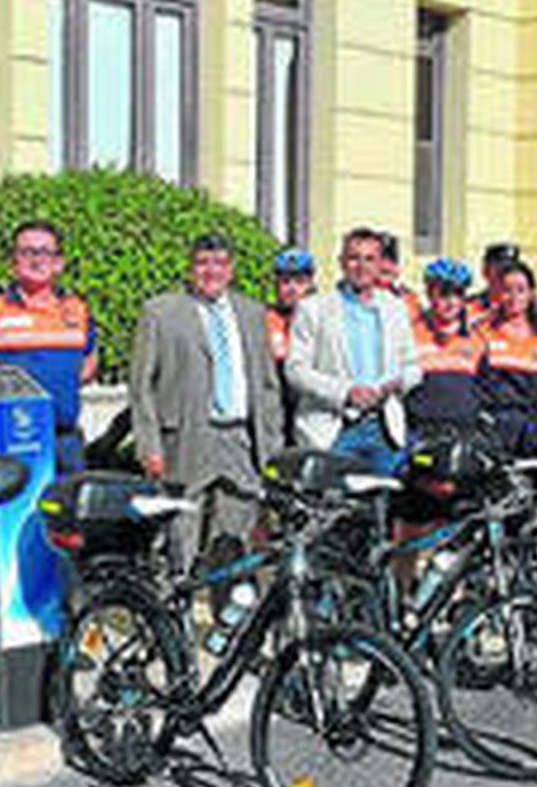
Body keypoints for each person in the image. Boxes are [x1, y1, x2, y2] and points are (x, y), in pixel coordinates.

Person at [130, 235, 283, 564]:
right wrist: (149, 447)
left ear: (231, 269)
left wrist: (271, 447)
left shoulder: (252, 313)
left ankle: (227, 611)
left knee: (234, 539)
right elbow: (141, 387)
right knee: (180, 535)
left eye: (219, 263)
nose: (211, 271)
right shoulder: (160, 313)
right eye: (202, 263)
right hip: (186, 438)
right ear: (190, 268)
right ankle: (176, 607)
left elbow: (267, 385)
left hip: (239, 440)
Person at [0, 219, 98, 473]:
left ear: (58, 263)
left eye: (45, 252)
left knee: (65, 511)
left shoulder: (78, 309)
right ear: (13, 262)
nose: (37, 260)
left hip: (63, 442)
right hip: (5, 441)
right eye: (27, 252)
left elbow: (89, 360)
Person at [285, 227, 422, 476]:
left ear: (380, 263)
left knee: (380, 509)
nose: (361, 266)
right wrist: (345, 392)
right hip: (333, 430)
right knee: (334, 510)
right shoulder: (313, 308)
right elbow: (295, 370)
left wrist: (398, 383)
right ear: (341, 262)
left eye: (369, 259)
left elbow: (413, 366)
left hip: (384, 429)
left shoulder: (395, 308)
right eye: (354, 258)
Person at [477, 261, 537, 453]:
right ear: (497, 294)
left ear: (531, 294)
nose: (513, 297)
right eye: (507, 290)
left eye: (520, 290)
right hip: (492, 427)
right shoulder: (482, 332)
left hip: (531, 430)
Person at [406, 258, 486, 438]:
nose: (451, 302)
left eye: (458, 294)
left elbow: (486, 387)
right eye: (443, 293)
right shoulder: (410, 334)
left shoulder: (477, 338)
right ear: (429, 293)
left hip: (464, 432)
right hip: (419, 431)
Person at [266, 248, 315, 446]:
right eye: (285, 282)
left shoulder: (322, 318)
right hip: (277, 411)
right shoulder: (265, 319)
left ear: (310, 284)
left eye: (299, 282)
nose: (292, 288)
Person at [466, 241, 520, 327]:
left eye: (509, 269)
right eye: (499, 269)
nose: (504, 274)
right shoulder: (470, 307)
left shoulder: (524, 307)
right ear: (486, 271)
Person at [376, 230, 423, 323]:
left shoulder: (409, 298)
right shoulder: (354, 298)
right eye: (379, 259)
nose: (385, 265)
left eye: (391, 259)